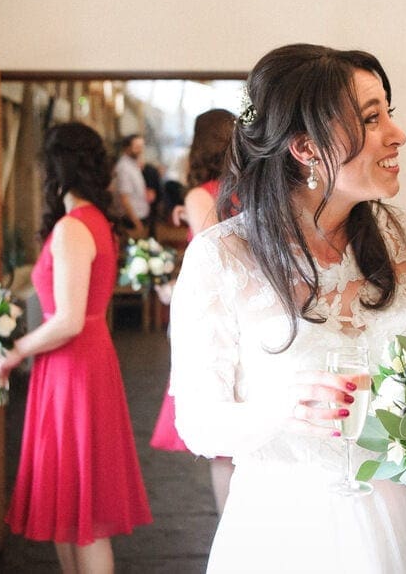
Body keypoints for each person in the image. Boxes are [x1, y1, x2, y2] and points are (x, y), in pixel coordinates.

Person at [169, 44, 406, 572]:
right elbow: (197, 423)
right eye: (371, 118)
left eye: (389, 113)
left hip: (401, 529)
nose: (397, 134)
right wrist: (280, 406)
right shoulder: (222, 257)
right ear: (306, 148)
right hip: (282, 531)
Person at [0, 122, 151, 573]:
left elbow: (68, 319)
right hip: (78, 362)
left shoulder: (74, 228)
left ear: (55, 169)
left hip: (74, 366)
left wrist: (15, 351)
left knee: (85, 510)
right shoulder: (95, 222)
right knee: (68, 504)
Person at [150, 108, 237, 513]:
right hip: (251, 316)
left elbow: (211, 265)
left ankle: (231, 531)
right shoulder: (249, 190)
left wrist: (171, 292)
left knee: (223, 443)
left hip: (219, 321)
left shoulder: (202, 193)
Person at [113, 133, 150, 236]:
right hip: (132, 219)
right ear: (127, 148)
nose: (140, 150)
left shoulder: (133, 164)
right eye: (136, 147)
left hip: (140, 215)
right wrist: (137, 223)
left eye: (141, 147)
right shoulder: (124, 168)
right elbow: (124, 198)